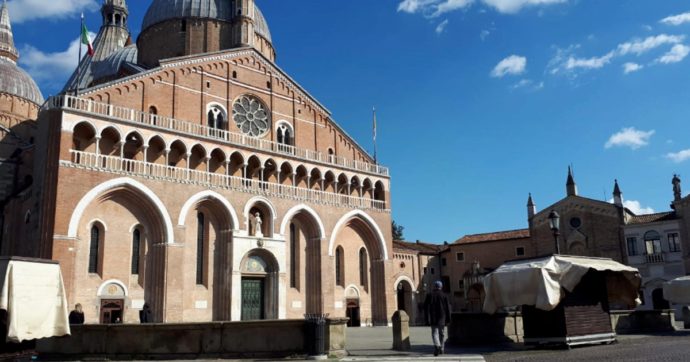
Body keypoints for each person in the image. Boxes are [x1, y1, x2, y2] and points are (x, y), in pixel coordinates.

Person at [424, 280, 451, 356]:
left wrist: (426, 319)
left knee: (434, 333)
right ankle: (441, 349)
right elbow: (448, 308)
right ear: (441, 287)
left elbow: (425, 307)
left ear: (434, 287)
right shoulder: (444, 295)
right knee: (441, 333)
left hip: (433, 317)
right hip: (442, 317)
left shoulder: (429, 295)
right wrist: (448, 319)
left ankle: (437, 345)